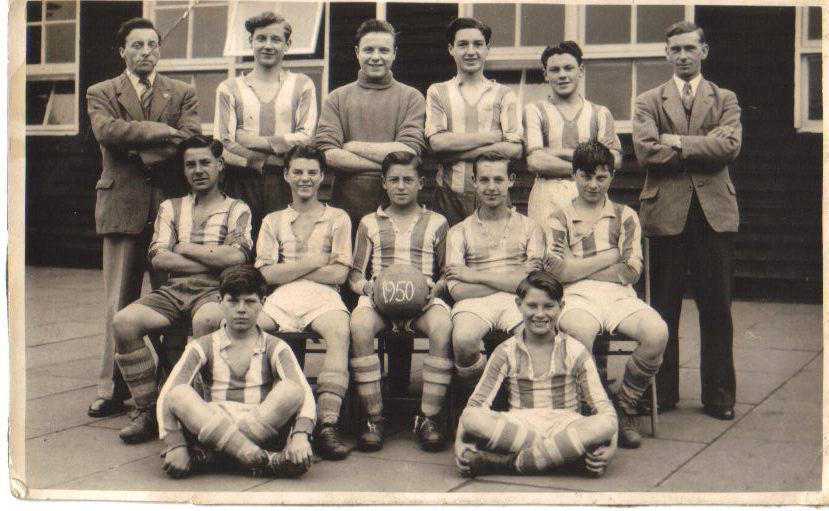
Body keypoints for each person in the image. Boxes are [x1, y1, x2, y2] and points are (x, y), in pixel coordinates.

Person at [86, 17, 201, 418]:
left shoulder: (182, 92)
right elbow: (106, 131)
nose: (147, 52)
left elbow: (190, 137)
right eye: (137, 45)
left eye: (152, 45)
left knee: (172, 299)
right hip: (122, 207)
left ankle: (173, 381)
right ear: (123, 51)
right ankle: (112, 388)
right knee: (118, 303)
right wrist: (158, 132)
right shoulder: (101, 91)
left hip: (169, 209)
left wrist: (138, 145)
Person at [632, 21, 742, 420]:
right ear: (666, 54)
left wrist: (675, 141)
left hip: (715, 214)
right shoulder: (648, 100)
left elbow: (730, 146)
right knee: (662, 310)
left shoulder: (724, 98)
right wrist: (703, 146)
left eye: (689, 49)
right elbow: (646, 153)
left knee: (717, 309)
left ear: (703, 52)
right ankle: (662, 393)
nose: (682, 56)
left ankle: (719, 396)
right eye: (675, 49)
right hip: (665, 213)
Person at [111, 136, 253, 444]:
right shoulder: (171, 207)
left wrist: (185, 247)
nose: (198, 170)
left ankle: (198, 411)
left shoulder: (236, 208)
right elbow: (159, 256)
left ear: (220, 165)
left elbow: (238, 256)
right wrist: (213, 259)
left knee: (208, 321)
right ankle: (148, 409)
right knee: (124, 322)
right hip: (173, 290)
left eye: (205, 163)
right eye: (191, 164)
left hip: (215, 291)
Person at [545, 141, 668, 449]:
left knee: (657, 333)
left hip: (619, 295)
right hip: (576, 296)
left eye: (601, 177)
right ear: (574, 176)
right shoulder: (559, 218)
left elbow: (630, 272)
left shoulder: (625, 216)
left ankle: (625, 405)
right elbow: (558, 273)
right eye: (585, 176)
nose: (593, 184)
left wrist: (576, 264)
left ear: (611, 176)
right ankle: (594, 407)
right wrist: (608, 256)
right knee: (579, 332)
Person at [157, 265, 314, 479]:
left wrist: (300, 436)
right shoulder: (203, 345)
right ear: (220, 302)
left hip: (259, 426)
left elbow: (304, 394)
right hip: (213, 423)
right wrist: (174, 444)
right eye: (233, 300)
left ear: (263, 303)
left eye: (249, 301)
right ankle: (260, 459)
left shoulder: (275, 346)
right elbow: (168, 396)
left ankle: (215, 457)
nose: (241, 309)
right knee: (178, 394)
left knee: (292, 390)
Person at [455, 271, 618, 478]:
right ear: (518, 305)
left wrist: (612, 449)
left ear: (561, 307)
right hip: (521, 425)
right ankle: (563, 457)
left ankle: (505, 463)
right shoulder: (506, 351)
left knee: (604, 425)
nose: (540, 314)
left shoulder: (575, 350)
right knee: (471, 419)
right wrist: (460, 443)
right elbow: (475, 406)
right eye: (532, 306)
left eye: (548, 306)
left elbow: (604, 409)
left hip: (564, 424)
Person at [348, 152, 453, 453]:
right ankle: (374, 417)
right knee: (359, 324)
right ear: (383, 183)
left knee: (443, 325)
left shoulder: (437, 222)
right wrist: (370, 287)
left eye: (408, 179)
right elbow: (354, 275)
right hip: (381, 301)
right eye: (394, 180)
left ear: (421, 183)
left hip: (423, 301)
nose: (401, 186)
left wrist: (437, 290)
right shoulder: (370, 222)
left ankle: (428, 417)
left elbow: (447, 272)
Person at [254, 145, 352, 461]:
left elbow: (340, 271)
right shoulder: (273, 220)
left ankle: (327, 423)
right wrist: (315, 260)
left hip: (324, 295)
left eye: (312, 172)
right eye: (297, 171)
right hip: (282, 296)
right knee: (250, 328)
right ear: (286, 175)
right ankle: (261, 413)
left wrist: (292, 268)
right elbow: (267, 273)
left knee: (339, 330)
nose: (305, 179)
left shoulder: (337, 217)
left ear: (322, 176)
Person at [446, 154, 545, 404]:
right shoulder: (459, 231)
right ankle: (482, 398)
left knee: (534, 335)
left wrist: (475, 275)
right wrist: (513, 277)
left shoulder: (531, 227)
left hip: (517, 301)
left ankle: (519, 402)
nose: (492, 187)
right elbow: (457, 290)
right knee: (463, 340)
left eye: (498, 179)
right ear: (474, 182)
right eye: (485, 180)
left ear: (511, 181)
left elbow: (530, 284)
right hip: (476, 304)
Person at [315, 19, 427, 231]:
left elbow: (410, 150)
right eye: (369, 50)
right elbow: (328, 153)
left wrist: (352, 146)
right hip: (346, 207)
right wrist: (389, 165)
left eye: (384, 50)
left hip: (396, 205)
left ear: (394, 53)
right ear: (357, 52)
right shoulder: (337, 98)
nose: (376, 57)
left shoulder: (412, 97)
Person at [214, 11, 317, 238]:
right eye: (261, 38)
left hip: (285, 180)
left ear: (287, 44)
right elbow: (223, 144)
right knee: (242, 244)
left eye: (276, 39)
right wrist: (260, 160)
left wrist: (251, 140)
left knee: (282, 242)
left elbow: (307, 137)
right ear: (251, 41)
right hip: (241, 179)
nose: (268, 45)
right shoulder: (229, 88)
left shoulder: (302, 85)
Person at [425, 17, 523, 226]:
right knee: (449, 257)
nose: (471, 51)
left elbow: (515, 149)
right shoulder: (438, 91)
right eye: (463, 44)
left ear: (488, 48)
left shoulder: (504, 94)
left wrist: (456, 154)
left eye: (478, 44)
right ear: (451, 49)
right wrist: (491, 137)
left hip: (493, 194)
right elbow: (438, 143)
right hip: (448, 196)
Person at [524, 41, 622, 226]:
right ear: (545, 75)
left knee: (589, 249)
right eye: (555, 70)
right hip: (547, 193)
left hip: (590, 192)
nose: (562, 75)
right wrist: (590, 161)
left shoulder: (600, 113)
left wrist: (554, 152)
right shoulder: (535, 110)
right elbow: (535, 161)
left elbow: (614, 160)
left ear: (581, 70)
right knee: (548, 250)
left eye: (568, 68)